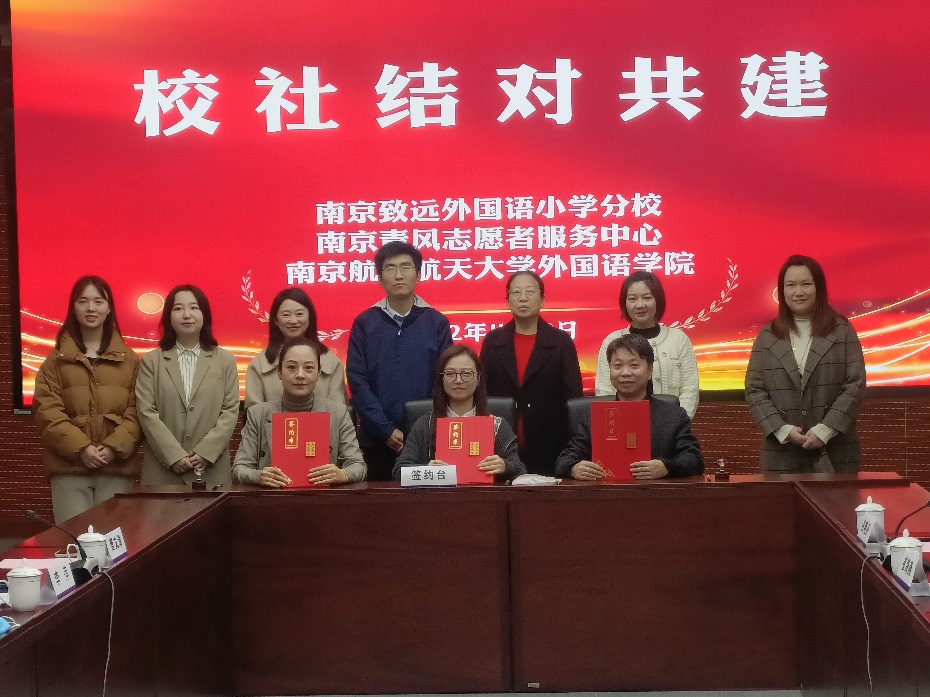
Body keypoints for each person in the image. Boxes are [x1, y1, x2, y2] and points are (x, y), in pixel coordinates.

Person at [33, 276, 141, 522]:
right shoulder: (55, 361)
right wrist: (81, 448)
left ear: (109, 308)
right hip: (69, 470)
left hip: (116, 469)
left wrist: (113, 447)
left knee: (113, 541)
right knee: (74, 541)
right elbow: (47, 412)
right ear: (73, 307)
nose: (91, 308)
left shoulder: (130, 360)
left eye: (98, 301)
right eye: (83, 301)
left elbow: (138, 411)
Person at [745, 255, 866, 473]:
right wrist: (781, 430)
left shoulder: (842, 330)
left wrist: (826, 430)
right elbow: (755, 389)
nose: (798, 292)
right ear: (782, 291)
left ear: (818, 288)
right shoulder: (767, 335)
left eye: (806, 284)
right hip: (781, 454)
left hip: (835, 452)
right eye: (791, 285)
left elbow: (855, 384)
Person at [347, 241, 453, 481]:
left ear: (418, 274)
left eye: (405, 267)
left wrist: (424, 430)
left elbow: (445, 379)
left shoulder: (437, 323)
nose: (398, 275)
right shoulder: (365, 323)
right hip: (378, 441)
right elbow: (357, 380)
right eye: (390, 268)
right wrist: (385, 430)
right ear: (379, 277)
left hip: (428, 439)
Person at [555, 334, 703, 480]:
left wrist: (666, 467)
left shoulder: (673, 415)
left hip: (655, 493)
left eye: (634, 365)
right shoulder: (595, 416)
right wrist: (573, 468)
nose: (625, 373)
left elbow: (694, 460)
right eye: (617, 366)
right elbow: (563, 461)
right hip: (607, 494)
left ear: (649, 371)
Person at [136, 284, 240, 486]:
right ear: (168, 316)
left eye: (194, 307)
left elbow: (230, 410)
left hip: (210, 470)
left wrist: (205, 452)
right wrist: (173, 456)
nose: (186, 315)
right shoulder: (151, 361)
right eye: (178, 308)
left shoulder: (225, 360)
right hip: (163, 471)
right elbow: (146, 411)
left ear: (204, 315)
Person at [480, 271, 582, 476]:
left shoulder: (560, 342)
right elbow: (482, 393)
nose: (523, 298)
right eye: (516, 292)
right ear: (507, 300)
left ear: (542, 299)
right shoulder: (493, 341)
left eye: (530, 292)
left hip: (550, 443)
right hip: (500, 443)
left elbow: (574, 400)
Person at [233, 337, 365, 486]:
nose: (300, 375)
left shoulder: (338, 413)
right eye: (291, 367)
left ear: (319, 373)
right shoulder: (257, 414)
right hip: (273, 498)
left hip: (323, 497)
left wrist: (342, 474)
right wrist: (258, 476)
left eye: (309, 368)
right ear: (279, 372)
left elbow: (358, 466)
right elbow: (239, 468)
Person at [392, 346, 525, 481]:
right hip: (438, 494)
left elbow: (520, 470)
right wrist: (427, 470)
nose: (458, 380)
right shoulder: (425, 425)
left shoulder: (497, 425)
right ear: (442, 379)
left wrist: (505, 466)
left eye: (466, 374)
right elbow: (398, 472)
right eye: (450, 374)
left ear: (478, 379)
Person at [594, 271, 699, 418]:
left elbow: (690, 389)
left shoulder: (678, 339)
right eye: (632, 299)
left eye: (647, 298)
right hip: (623, 423)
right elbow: (604, 391)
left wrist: (675, 423)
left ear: (658, 300)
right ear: (624, 303)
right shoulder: (611, 341)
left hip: (672, 424)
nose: (640, 305)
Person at [244, 287, 346, 411]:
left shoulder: (331, 363)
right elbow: (254, 415)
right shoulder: (259, 365)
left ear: (310, 317)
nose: (293, 321)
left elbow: (338, 413)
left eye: (299, 314)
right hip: (270, 424)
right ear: (275, 320)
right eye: (286, 315)